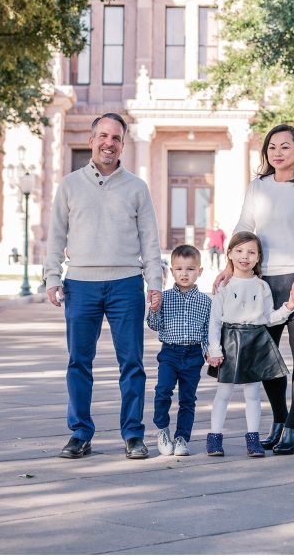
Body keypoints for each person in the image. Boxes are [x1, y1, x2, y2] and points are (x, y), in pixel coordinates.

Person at [45, 113, 163, 460]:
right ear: (91, 139)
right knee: (79, 362)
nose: (109, 143)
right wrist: (52, 276)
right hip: (81, 284)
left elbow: (150, 240)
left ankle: (133, 434)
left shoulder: (137, 187)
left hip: (126, 284)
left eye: (116, 138)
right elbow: (56, 235)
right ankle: (80, 433)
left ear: (123, 144)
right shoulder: (69, 185)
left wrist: (154, 282)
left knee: (132, 364)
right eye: (103, 136)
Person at [213, 123, 294, 455]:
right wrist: (229, 267)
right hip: (262, 281)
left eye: (284, 146)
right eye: (271, 147)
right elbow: (243, 228)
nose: (277, 153)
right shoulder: (258, 187)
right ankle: (279, 419)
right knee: (266, 357)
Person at [206, 231, 294, 458]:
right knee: (224, 392)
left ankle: (253, 439)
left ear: (258, 258)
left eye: (251, 252)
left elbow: (268, 317)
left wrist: (288, 308)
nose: (244, 256)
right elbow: (215, 320)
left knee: (253, 394)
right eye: (239, 251)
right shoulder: (224, 286)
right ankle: (215, 437)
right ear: (229, 254)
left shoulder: (262, 287)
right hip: (230, 341)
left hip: (256, 341)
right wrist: (214, 348)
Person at [147, 244, 211, 457]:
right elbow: (154, 325)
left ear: (199, 272)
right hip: (170, 353)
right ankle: (162, 429)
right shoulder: (164, 297)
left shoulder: (205, 302)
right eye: (179, 269)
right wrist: (154, 309)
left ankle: (182, 437)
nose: (185, 273)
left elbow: (208, 332)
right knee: (163, 391)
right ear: (172, 270)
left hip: (193, 355)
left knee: (188, 399)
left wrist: (211, 351)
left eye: (190, 269)